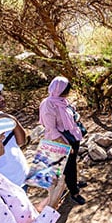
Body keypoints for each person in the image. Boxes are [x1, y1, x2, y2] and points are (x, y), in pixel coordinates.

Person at [39, 76, 87, 205]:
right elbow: (51, 128)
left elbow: (71, 116)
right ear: (59, 89)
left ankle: (74, 183)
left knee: (72, 164)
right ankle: (74, 192)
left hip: (72, 136)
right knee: (67, 168)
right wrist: (65, 144)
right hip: (61, 140)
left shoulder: (63, 101)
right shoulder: (48, 104)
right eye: (66, 90)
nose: (68, 92)